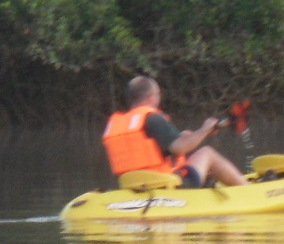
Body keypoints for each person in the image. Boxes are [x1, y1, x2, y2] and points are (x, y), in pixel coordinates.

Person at [102, 76, 247, 187]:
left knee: (188, 147)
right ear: (150, 97)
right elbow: (179, 148)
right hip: (166, 185)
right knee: (207, 153)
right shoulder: (152, 118)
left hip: (133, 185)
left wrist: (189, 135)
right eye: (158, 94)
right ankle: (247, 190)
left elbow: (149, 148)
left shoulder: (118, 123)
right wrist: (204, 129)